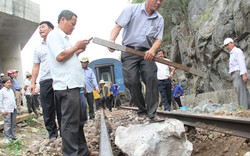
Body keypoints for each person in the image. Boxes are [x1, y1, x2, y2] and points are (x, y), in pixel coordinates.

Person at [46, 10, 97, 156]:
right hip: (67, 86)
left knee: (78, 121)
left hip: (74, 86)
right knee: (69, 124)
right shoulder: (54, 35)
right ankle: (70, 153)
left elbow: (67, 57)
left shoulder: (64, 39)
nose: (73, 27)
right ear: (63, 20)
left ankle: (82, 151)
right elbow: (60, 56)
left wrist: (78, 51)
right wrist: (75, 46)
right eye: (72, 24)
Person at [109, 0, 165, 122]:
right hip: (129, 51)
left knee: (151, 78)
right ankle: (141, 110)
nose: (159, 2)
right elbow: (118, 26)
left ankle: (152, 113)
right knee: (132, 82)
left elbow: (158, 39)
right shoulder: (131, 10)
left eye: (162, 0)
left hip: (147, 53)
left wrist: (152, 50)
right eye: (157, 0)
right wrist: (111, 41)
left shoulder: (159, 19)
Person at [30, 21, 61, 140]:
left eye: (43, 27)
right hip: (45, 81)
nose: (40, 30)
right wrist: (33, 82)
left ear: (51, 29)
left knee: (61, 107)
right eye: (39, 28)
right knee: (47, 108)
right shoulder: (38, 48)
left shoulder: (58, 42)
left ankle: (64, 132)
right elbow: (36, 66)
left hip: (59, 78)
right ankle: (52, 134)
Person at [223, 38, 250, 110]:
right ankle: (247, 108)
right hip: (235, 75)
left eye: (227, 45)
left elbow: (241, 63)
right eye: (225, 46)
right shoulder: (232, 53)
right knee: (243, 92)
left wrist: (244, 74)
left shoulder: (237, 51)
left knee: (241, 93)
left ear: (232, 43)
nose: (226, 47)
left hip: (238, 74)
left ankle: (244, 110)